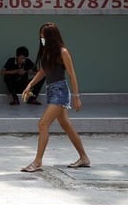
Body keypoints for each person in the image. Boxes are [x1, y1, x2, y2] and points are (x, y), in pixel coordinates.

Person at [20, 22, 91, 172]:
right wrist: (30, 85)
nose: (41, 39)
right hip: (51, 90)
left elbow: (72, 75)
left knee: (43, 124)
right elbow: (43, 71)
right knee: (66, 125)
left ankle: (38, 161)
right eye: (40, 37)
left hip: (60, 91)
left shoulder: (63, 52)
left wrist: (76, 96)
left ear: (51, 37)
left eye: (43, 37)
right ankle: (84, 157)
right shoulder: (47, 52)